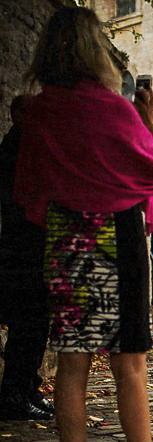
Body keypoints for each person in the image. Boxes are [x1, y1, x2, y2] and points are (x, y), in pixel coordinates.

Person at [14, 6, 153, 442]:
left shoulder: (39, 112)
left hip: (68, 239)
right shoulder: (115, 110)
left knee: (72, 363)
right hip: (118, 236)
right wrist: (150, 124)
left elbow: (29, 193)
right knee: (128, 363)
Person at [0, 95, 54, 420]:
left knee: (36, 326)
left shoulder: (26, 146)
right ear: (19, 115)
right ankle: (15, 394)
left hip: (33, 248)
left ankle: (28, 387)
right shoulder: (14, 148)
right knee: (27, 326)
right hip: (23, 251)